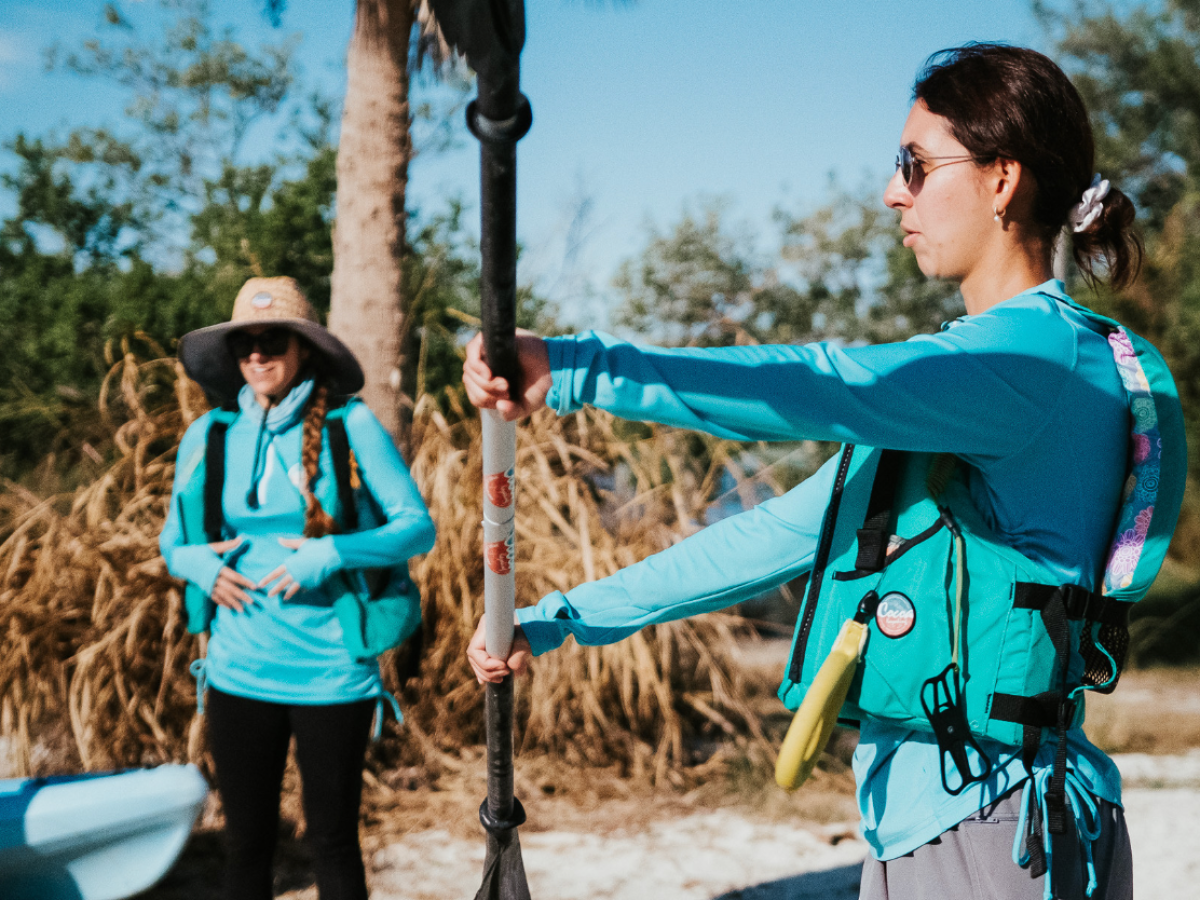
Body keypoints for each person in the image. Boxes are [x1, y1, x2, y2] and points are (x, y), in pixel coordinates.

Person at [462, 45, 1179, 900]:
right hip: (935, 815)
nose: (893, 193)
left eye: (916, 165)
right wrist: (556, 620)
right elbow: (771, 537)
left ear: (1001, 180)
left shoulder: (1036, 363)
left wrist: (582, 369)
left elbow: (828, 384)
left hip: (997, 829)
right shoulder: (977, 379)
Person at [160, 277, 435, 900]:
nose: (258, 355)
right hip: (236, 669)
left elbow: (419, 528)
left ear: (304, 348)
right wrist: (199, 567)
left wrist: (330, 554)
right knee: (246, 847)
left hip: (331, 672)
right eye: (245, 344)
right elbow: (173, 543)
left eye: (273, 339)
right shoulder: (210, 435)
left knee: (332, 844)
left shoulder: (350, 423)